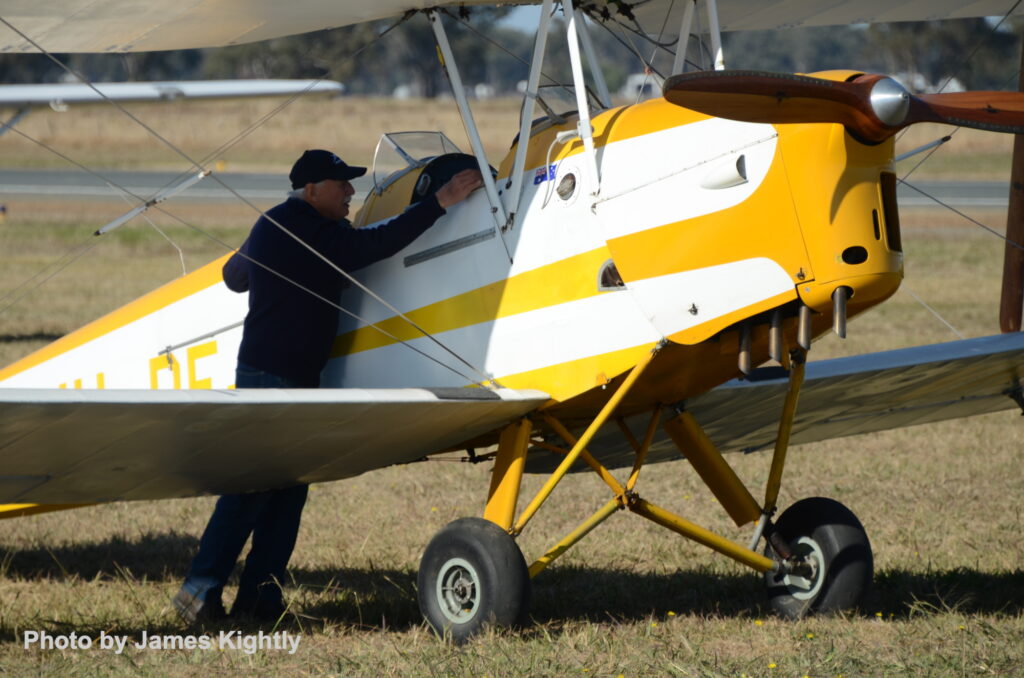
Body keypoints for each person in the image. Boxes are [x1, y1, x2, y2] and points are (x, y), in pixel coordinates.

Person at [173, 149, 482, 624]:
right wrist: (439, 200)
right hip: (270, 376)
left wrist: (263, 246)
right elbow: (372, 247)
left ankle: (261, 599)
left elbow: (234, 277)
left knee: (288, 492)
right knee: (252, 491)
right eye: (342, 185)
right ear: (313, 190)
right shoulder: (302, 227)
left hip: (295, 376)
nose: (351, 192)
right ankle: (198, 592)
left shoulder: (282, 224)